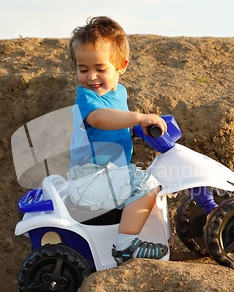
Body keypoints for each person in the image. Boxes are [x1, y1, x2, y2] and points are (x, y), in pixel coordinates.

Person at [66, 16, 169, 265]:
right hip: (89, 178)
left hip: (108, 174)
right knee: (146, 185)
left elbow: (113, 125)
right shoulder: (87, 98)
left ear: (121, 65)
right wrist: (138, 117)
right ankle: (126, 248)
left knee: (156, 180)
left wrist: (135, 130)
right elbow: (100, 120)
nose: (91, 77)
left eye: (100, 68)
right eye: (83, 69)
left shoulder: (118, 93)